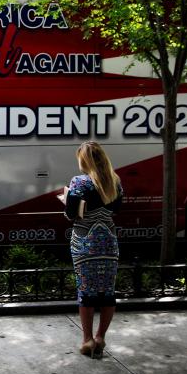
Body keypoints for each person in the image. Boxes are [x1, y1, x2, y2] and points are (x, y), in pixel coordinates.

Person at [60, 140, 123, 358]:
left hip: (84, 242)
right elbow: (117, 208)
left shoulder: (79, 182)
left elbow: (70, 214)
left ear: (85, 160)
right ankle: (100, 337)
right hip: (108, 242)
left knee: (86, 290)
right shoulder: (115, 181)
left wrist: (68, 205)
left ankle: (87, 340)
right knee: (107, 292)